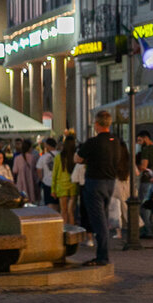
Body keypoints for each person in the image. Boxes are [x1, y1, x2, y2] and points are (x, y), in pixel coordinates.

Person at [75, 111, 128, 266]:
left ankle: (102, 257)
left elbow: (77, 158)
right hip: (110, 182)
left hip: (94, 182)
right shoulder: (116, 141)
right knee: (102, 217)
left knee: (99, 222)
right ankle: (102, 255)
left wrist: (86, 159)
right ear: (109, 124)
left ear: (96, 124)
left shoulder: (92, 142)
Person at [52, 136, 78, 226]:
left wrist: (53, 189)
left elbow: (54, 174)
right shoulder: (76, 156)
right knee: (71, 211)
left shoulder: (59, 157)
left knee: (63, 211)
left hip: (61, 186)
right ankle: (72, 231)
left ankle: (64, 231)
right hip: (73, 186)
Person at [36, 138, 58, 205]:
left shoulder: (43, 157)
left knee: (50, 204)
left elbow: (39, 171)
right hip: (59, 183)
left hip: (47, 183)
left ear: (47, 145)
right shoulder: (60, 155)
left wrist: (42, 179)